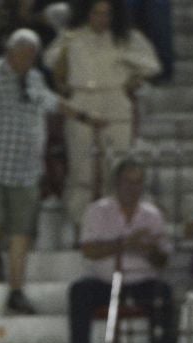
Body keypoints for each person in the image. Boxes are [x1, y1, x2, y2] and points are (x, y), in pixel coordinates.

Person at [0, 30, 98, 316]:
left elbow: (53, 102)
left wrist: (84, 117)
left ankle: (16, 291)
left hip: (27, 170)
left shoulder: (34, 79)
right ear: (10, 52)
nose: (28, 61)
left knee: (22, 232)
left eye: (32, 56)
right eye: (24, 54)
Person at [47, 0, 159, 227]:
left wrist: (128, 67)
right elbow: (50, 60)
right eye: (96, 13)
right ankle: (80, 223)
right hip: (81, 99)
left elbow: (152, 65)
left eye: (106, 14)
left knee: (116, 164)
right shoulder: (73, 36)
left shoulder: (127, 37)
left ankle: (116, 222)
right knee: (81, 168)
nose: (101, 19)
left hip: (114, 98)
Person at [65, 158, 174, 343]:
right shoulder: (98, 211)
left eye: (138, 183)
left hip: (142, 282)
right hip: (105, 281)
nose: (133, 188)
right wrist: (124, 244)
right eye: (128, 182)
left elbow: (163, 260)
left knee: (165, 293)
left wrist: (148, 249)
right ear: (117, 183)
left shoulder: (152, 215)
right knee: (79, 291)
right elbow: (88, 250)